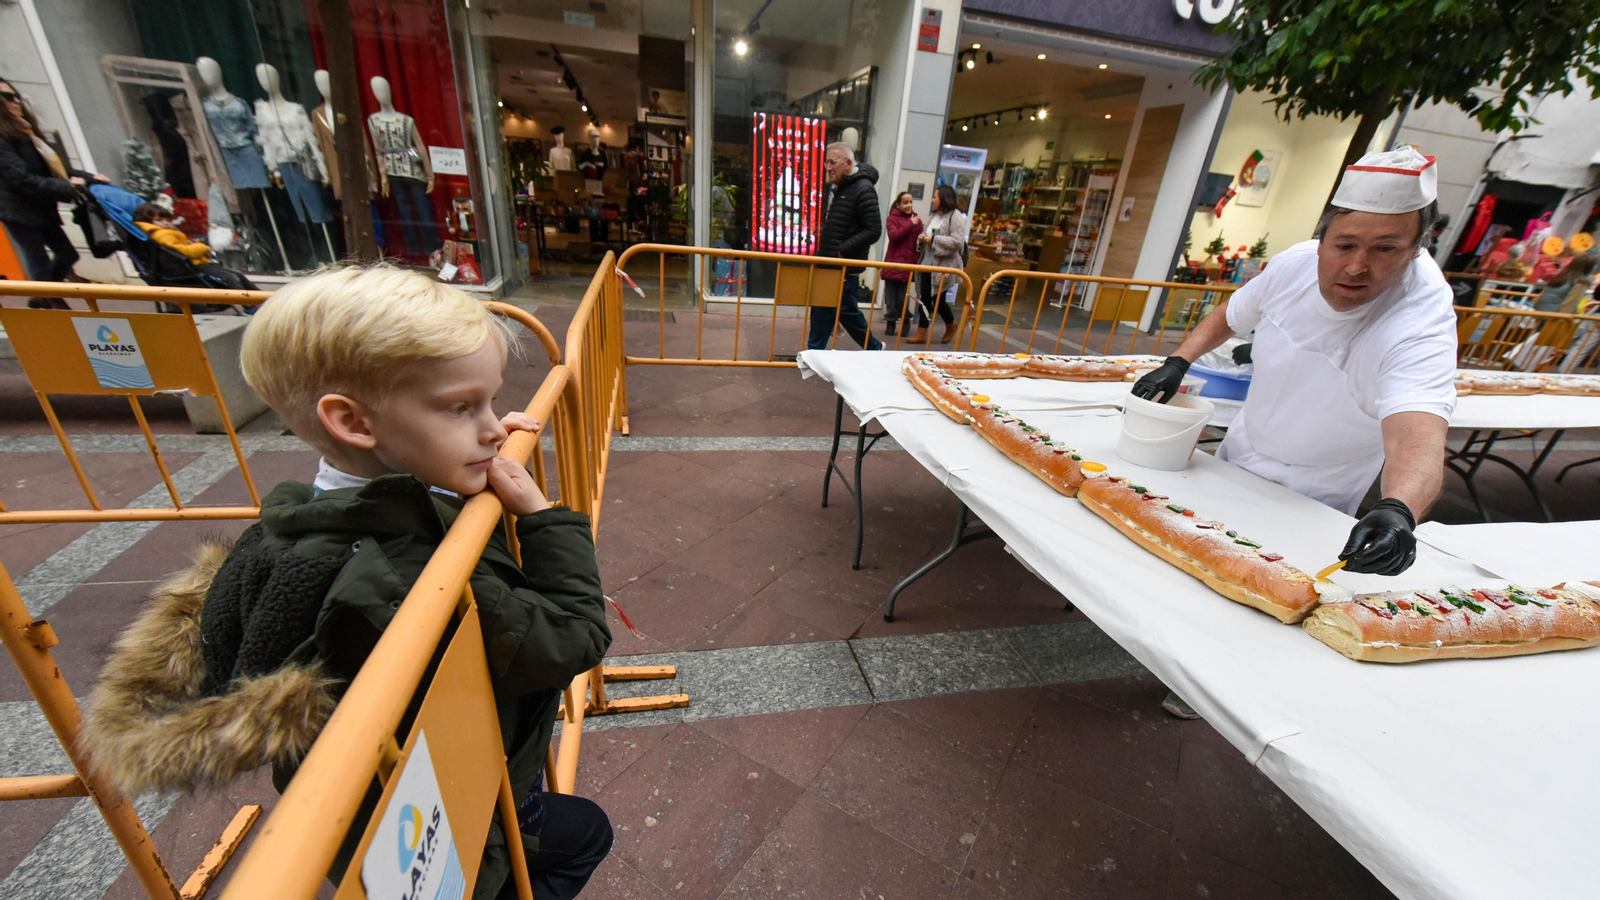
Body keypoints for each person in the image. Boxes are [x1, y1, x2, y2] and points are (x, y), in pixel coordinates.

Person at [80, 266, 613, 900]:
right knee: (587, 834)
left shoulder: (303, 525)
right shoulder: (408, 574)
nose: (496, 428)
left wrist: (464, 460)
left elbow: (414, 501)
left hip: (390, 816)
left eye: (490, 402)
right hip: (467, 815)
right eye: (461, 407)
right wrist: (543, 519)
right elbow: (574, 637)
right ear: (355, 424)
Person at [1132, 148, 1456, 720]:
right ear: (1322, 236)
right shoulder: (1292, 266)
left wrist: (1398, 509)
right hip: (1241, 450)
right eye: (1345, 245)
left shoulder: (1421, 319)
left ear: (1416, 249)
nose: (1357, 267)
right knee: (1193, 558)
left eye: (1386, 249)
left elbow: (1420, 436)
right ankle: (1162, 638)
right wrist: (1180, 360)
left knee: (1262, 594)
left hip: (1316, 489)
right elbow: (1231, 315)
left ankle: (1208, 682)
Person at [0, 78, 110, 308]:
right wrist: (68, 188)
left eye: (16, 95)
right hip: (17, 208)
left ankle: (42, 296)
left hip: (41, 204)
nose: (16, 101)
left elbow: (53, 167)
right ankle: (55, 305)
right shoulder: (3, 137)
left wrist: (89, 177)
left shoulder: (26, 130)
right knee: (37, 257)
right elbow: (20, 178)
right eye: (8, 97)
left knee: (68, 254)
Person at [811, 141, 884, 351]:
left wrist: (842, 249)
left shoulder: (863, 189)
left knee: (844, 311)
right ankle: (813, 352)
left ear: (848, 163)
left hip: (843, 266)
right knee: (823, 308)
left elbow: (874, 230)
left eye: (832, 162)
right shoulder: (842, 187)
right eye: (826, 162)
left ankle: (874, 348)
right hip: (831, 263)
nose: (828, 167)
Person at [131, 202, 261, 291]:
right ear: (148, 222)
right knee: (232, 278)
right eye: (159, 220)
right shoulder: (162, 235)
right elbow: (184, 251)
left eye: (167, 220)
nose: (165, 223)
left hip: (194, 264)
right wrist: (203, 248)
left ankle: (259, 300)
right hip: (191, 267)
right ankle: (250, 305)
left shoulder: (164, 232)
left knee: (236, 275)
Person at [914, 183, 968, 344]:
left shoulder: (955, 216)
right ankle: (921, 334)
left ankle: (951, 325)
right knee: (924, 299)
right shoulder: (933, 216)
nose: (932, 200)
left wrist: (934, 240)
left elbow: (957, 241)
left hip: (944, 267)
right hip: (927, 264)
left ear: (944, 198)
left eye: (935, 197)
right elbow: (925, 234)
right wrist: (922, 240)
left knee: (938, 301)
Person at [881, 190, 923, 336]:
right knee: (890, 298)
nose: (909, 205)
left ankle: (905, 320)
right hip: (892, 263)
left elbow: (919, 244)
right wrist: (910, 224)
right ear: (898, 205)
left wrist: (923, 240)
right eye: (905, 203)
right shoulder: (892, 219)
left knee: (902, 298)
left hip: (907, 264)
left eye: (911, 202)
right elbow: (894, 236)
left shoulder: (917, 220)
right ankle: (890, 322)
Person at [1533, 248, 1600, 314]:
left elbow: (1540, 297)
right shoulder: (1581, 283)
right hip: (1554, 317)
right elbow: (1569, 305)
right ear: (1588, 267)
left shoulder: (1560, 276)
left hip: (1538, 313)